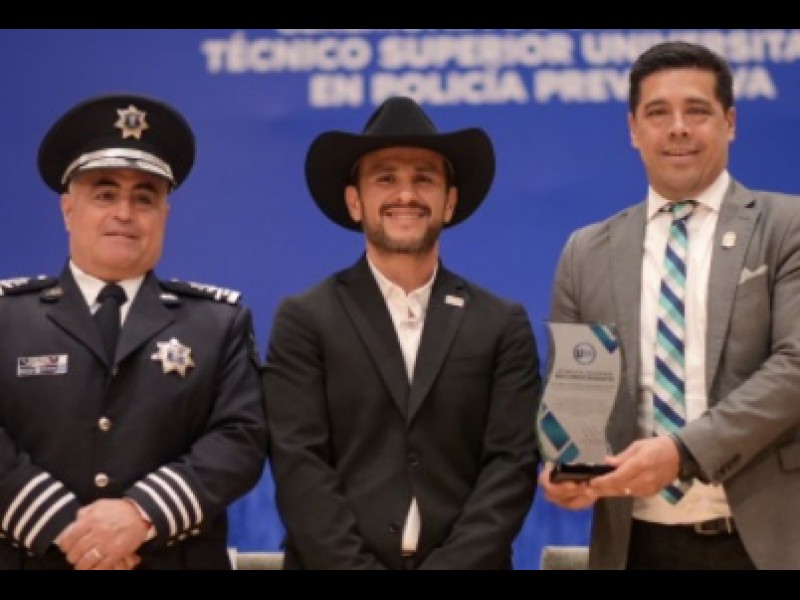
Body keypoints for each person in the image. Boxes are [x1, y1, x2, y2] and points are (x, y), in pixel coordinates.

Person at [538, 40, 800, 570]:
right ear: (634, 130)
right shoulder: (586, 252)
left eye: (696, 111)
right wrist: (566, 466)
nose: (677, 128)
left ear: (730, 123)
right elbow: (575, 395)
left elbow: (795, 366)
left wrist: (683, 451)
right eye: (658, 113)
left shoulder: (786, 226)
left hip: (766, 543)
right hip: (635, 546)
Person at [262, 96, 542, 570]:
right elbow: (299, 466)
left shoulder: (501, 323)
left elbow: (510, 467)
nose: (406, 194)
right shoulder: (304, 319)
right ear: (355, 201)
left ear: (449, 202)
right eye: (385, 178)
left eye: (424, 179)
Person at [0, 93, 268, 569]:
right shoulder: (7, 317)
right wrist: (66, 527)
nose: (124, 212)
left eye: (144, 198)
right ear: (67, 209)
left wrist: (142, 515)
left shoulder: (218, 323)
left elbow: (241, 439)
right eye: (105, 194)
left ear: (164, 214)